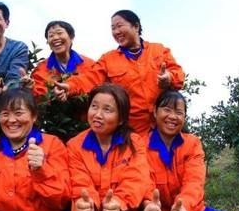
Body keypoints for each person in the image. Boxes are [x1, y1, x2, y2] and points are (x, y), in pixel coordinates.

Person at [139, 90, 239, 211]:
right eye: (167, 110)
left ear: (184, 117)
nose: (172, 116)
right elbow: (142, 182)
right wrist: (149, 204)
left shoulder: (192, 143)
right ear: (155, 112)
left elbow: (194, 182)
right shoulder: (141, 144)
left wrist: (183, 207)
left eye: (179, 112)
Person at [65, 84, 158, 211]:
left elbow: (137, 179)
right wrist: (88, 204)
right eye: (94, 106)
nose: (98, 114)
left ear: (121, 118)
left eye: (107, 110)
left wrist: (119, 203)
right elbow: (80, 181)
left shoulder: (134, 142)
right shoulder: (75, 145)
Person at [53, 10, 185, 134]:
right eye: (113, 28)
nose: (116, 31)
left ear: (136, 26)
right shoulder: (108, 59)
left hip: (166, 125)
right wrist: (69, 86)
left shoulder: (159, 50)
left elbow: (178, 73)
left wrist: (169, 78)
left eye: (119, 26)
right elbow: (90, 78)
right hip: (133, 129)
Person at [30, 20, 94, 99]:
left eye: (59, 33)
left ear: (71, 37)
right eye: (51, 36)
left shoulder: (89, 64)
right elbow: (37, 97)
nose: (55, 38)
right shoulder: (41, 69)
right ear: (48, 42)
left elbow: (95, 86)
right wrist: (30, 88)